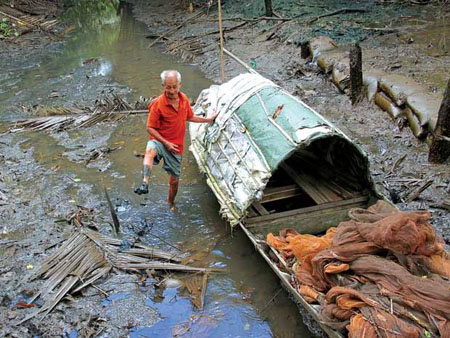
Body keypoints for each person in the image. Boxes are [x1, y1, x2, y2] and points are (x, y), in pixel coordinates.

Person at [134, 70, 217, 210]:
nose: (171, 91)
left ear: (179, 85)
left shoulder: (184, 99)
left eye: (174, 87)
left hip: (176, 147)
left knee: (174, 181)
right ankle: (144, 183)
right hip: (160, 141)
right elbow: (150, 128)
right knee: (149, 151)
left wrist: (208, 119)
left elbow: (189, 117)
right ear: (163, 86)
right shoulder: (158, 104)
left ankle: (171, 202)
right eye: (168, 87)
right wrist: (165, 143)